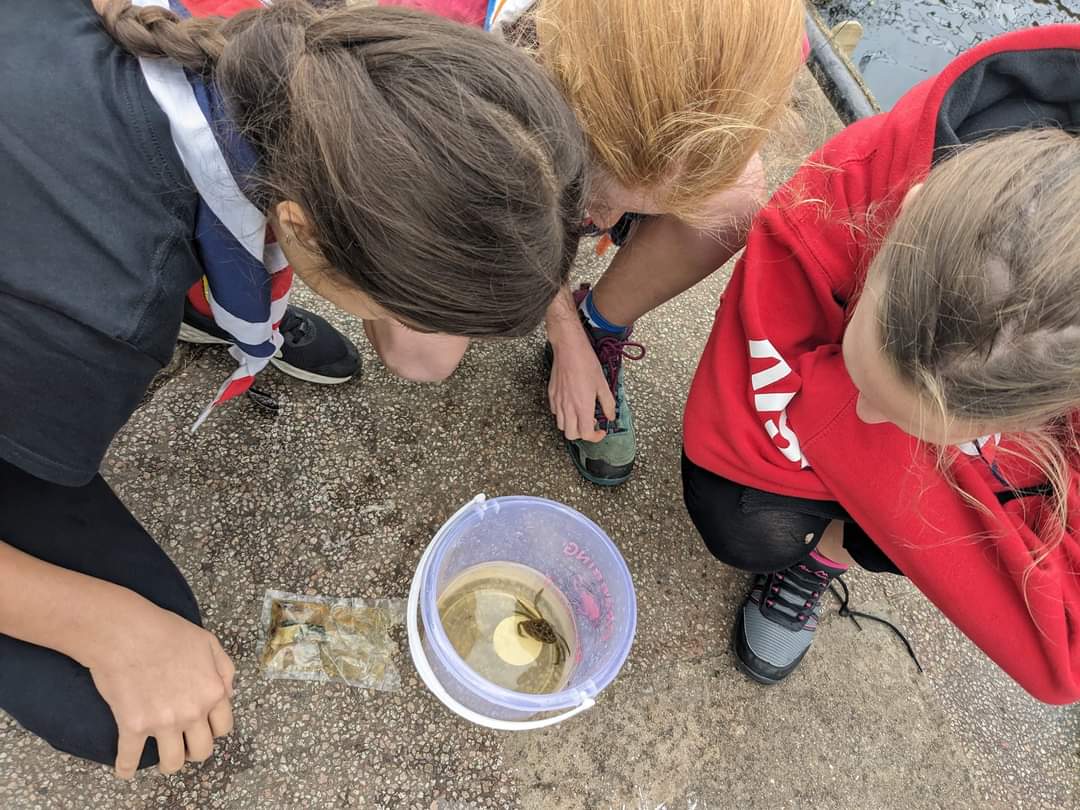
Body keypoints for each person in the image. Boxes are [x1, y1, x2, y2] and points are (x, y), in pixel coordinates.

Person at [0, 0, 585, 777]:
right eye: (414, 307)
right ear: (301, 226)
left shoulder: (292, 72)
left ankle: (205, 307)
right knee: (127, 705)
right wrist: (106, 628)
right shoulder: (96, 326)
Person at [682, 26, 1080, 704]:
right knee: (742, 518)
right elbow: (739, 421)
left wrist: (854, 434)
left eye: (914, 418)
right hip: (863, 432)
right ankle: (847, 522)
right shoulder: (850, 186)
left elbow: (1062, 653)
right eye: (871, 383)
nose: (861, 410)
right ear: (906, 212)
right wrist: (894, 449)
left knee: (907, 532)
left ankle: (824, 554)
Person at [380, 0, 807, 484]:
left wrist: (578, 333)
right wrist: (561, 330)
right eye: (594, 201)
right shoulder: (437, 37)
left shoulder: (756, 37)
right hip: (466, 119)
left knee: (737, 194)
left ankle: (600, 322)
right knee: (421, 352)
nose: (603, 224)